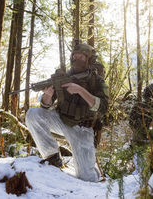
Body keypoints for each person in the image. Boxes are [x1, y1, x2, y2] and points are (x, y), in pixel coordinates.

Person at [25, 43, 109, 182]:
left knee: (87, 178)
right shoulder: (63, 77)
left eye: (82, 56)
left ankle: (96, 175)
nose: (77, 58)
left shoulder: (97, 81)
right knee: (33, 114)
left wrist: (80, 90)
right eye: (75, 55)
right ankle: (52, 157)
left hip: (83, 129)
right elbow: (45, 106)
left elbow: (104, 107)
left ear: (89, 59)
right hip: (61, 121)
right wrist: (47, 95)